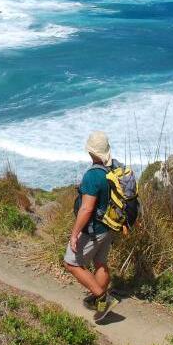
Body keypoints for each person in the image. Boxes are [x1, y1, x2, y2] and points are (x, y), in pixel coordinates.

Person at [64, 131, 120, 323]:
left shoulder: (92, 176)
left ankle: (103, 297)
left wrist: (74, 234)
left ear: (91, 152)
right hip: (108, 227)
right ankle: (101, 306)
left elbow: (86, 209)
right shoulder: (113, 169)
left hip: (93, 230)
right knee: (100, 263)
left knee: (71, 263)